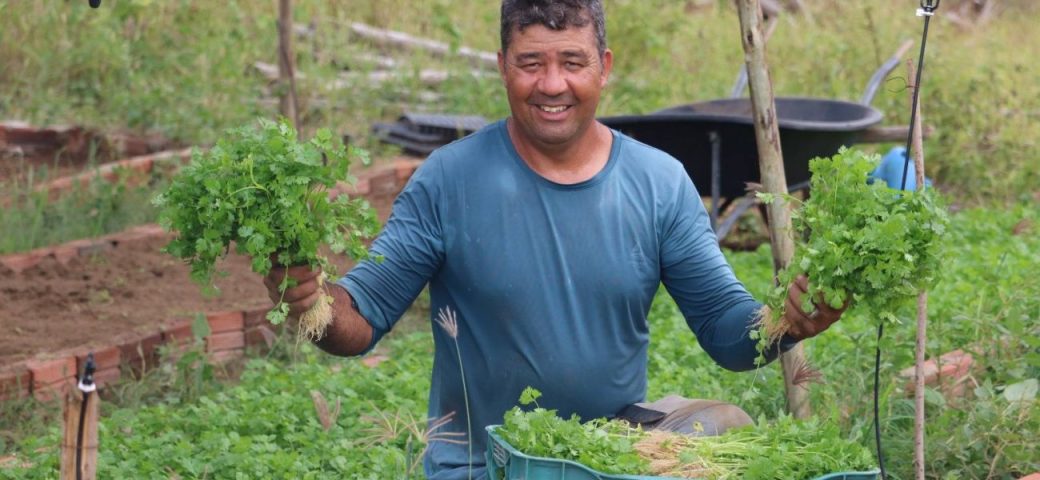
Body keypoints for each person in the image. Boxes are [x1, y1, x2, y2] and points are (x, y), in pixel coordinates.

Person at [263, 1, 845, 478]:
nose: (552, 84)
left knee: (723, 426)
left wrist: (787, 320)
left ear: (604, 66)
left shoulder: (658, 182)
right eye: (530, 63)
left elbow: (725, 330)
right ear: (502, 66)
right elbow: (363, 318)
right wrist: (313, 303)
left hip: (611, 456)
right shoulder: (449, 180)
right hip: (486, 465)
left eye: (572, 61)